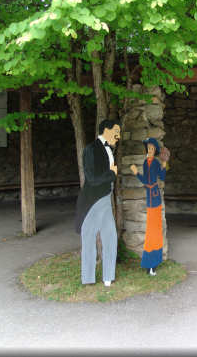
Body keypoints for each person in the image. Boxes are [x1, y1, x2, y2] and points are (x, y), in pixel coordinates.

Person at [75, 119, 121, 287]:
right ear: (106, 130)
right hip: (93, 200)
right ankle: (88, 278)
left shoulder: (110, 149)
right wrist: (111, 174)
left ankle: (108, 277)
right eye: (116, 131)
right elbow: (92, 178)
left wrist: (111, 175)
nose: (119, 135)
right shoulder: (90, 149)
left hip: (105, 198)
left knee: (110, 237)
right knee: (89, 237)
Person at [130, 138, 169, 276]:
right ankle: (150, 263)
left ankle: (153, 263)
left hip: (155, 199)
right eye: (148, 148)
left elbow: (162, 177)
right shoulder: (145, 163)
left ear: (155, 150)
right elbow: (146, 181)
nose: (149, 150)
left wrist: (164, 163)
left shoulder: (156, 162)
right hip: (150, 200)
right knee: (151, 231)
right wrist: (138, 173)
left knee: (155, 230)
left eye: (152, 149)